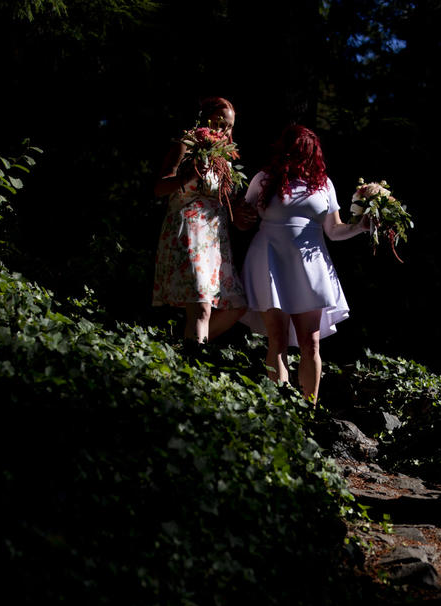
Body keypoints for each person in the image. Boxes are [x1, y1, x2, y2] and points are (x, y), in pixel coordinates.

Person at [240, 124, 368, 402]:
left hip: (309, 266)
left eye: (307, 152)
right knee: (277, 338)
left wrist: (361, 226)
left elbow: (334, 230)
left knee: (310, 342)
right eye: (297, 151)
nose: (301, 158)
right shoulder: (263, 179)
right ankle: (280, 406)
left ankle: (308, 407)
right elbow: (242, 220)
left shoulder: (324, 184)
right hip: (269, 259)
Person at [152, 96, 255, 343]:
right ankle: (193, 369)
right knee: (202, 307)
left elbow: (230, 207)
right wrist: (185, 177)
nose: (224, 131)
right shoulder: (186, 146)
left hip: (216, 239)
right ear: (205, 119)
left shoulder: (226, 161)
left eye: (229, 127)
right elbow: (159, 188)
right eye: (220, 123)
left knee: (235, 307)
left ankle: (183, 347)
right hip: (189, 229)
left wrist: (241, 216)